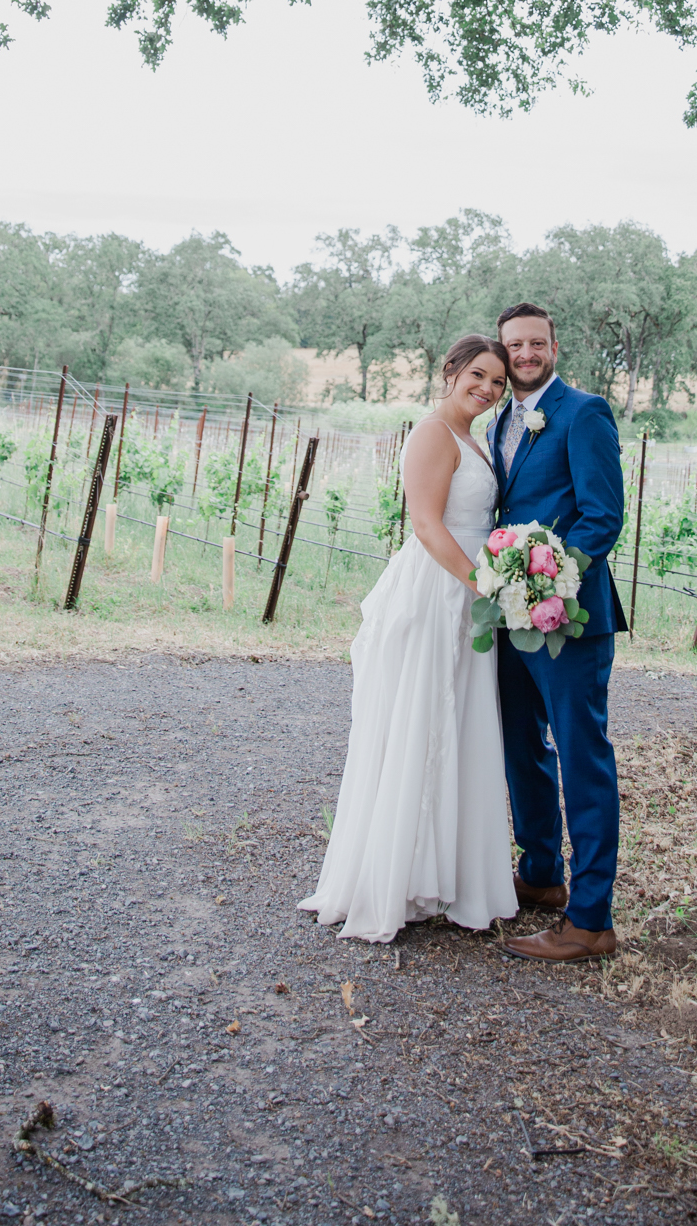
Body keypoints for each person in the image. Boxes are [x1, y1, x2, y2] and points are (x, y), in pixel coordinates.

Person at [299, 335, 518, 943]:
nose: (488, 389)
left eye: (498, 382)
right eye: (478, 375)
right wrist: (484, 587)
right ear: (450, 372)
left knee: (461, 724)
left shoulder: (476, 437)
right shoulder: (432, 433)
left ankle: (448, 873)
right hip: (441, 589)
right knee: (422, 720)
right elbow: (425, 523)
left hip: (471, 590)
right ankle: (402, 875)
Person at [488, 301, 626, 962]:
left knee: (582, 758)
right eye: (515, 344)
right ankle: (541, 874)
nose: (526, 353)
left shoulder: (584, 412)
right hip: (513, 615)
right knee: (523, 750)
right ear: (503, 348)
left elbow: (602, 516)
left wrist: (551, 582)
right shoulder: (498, 420)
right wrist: (513, 590)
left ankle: (591, 917)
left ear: (554, 346)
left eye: (536, 342)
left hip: (569, 617)